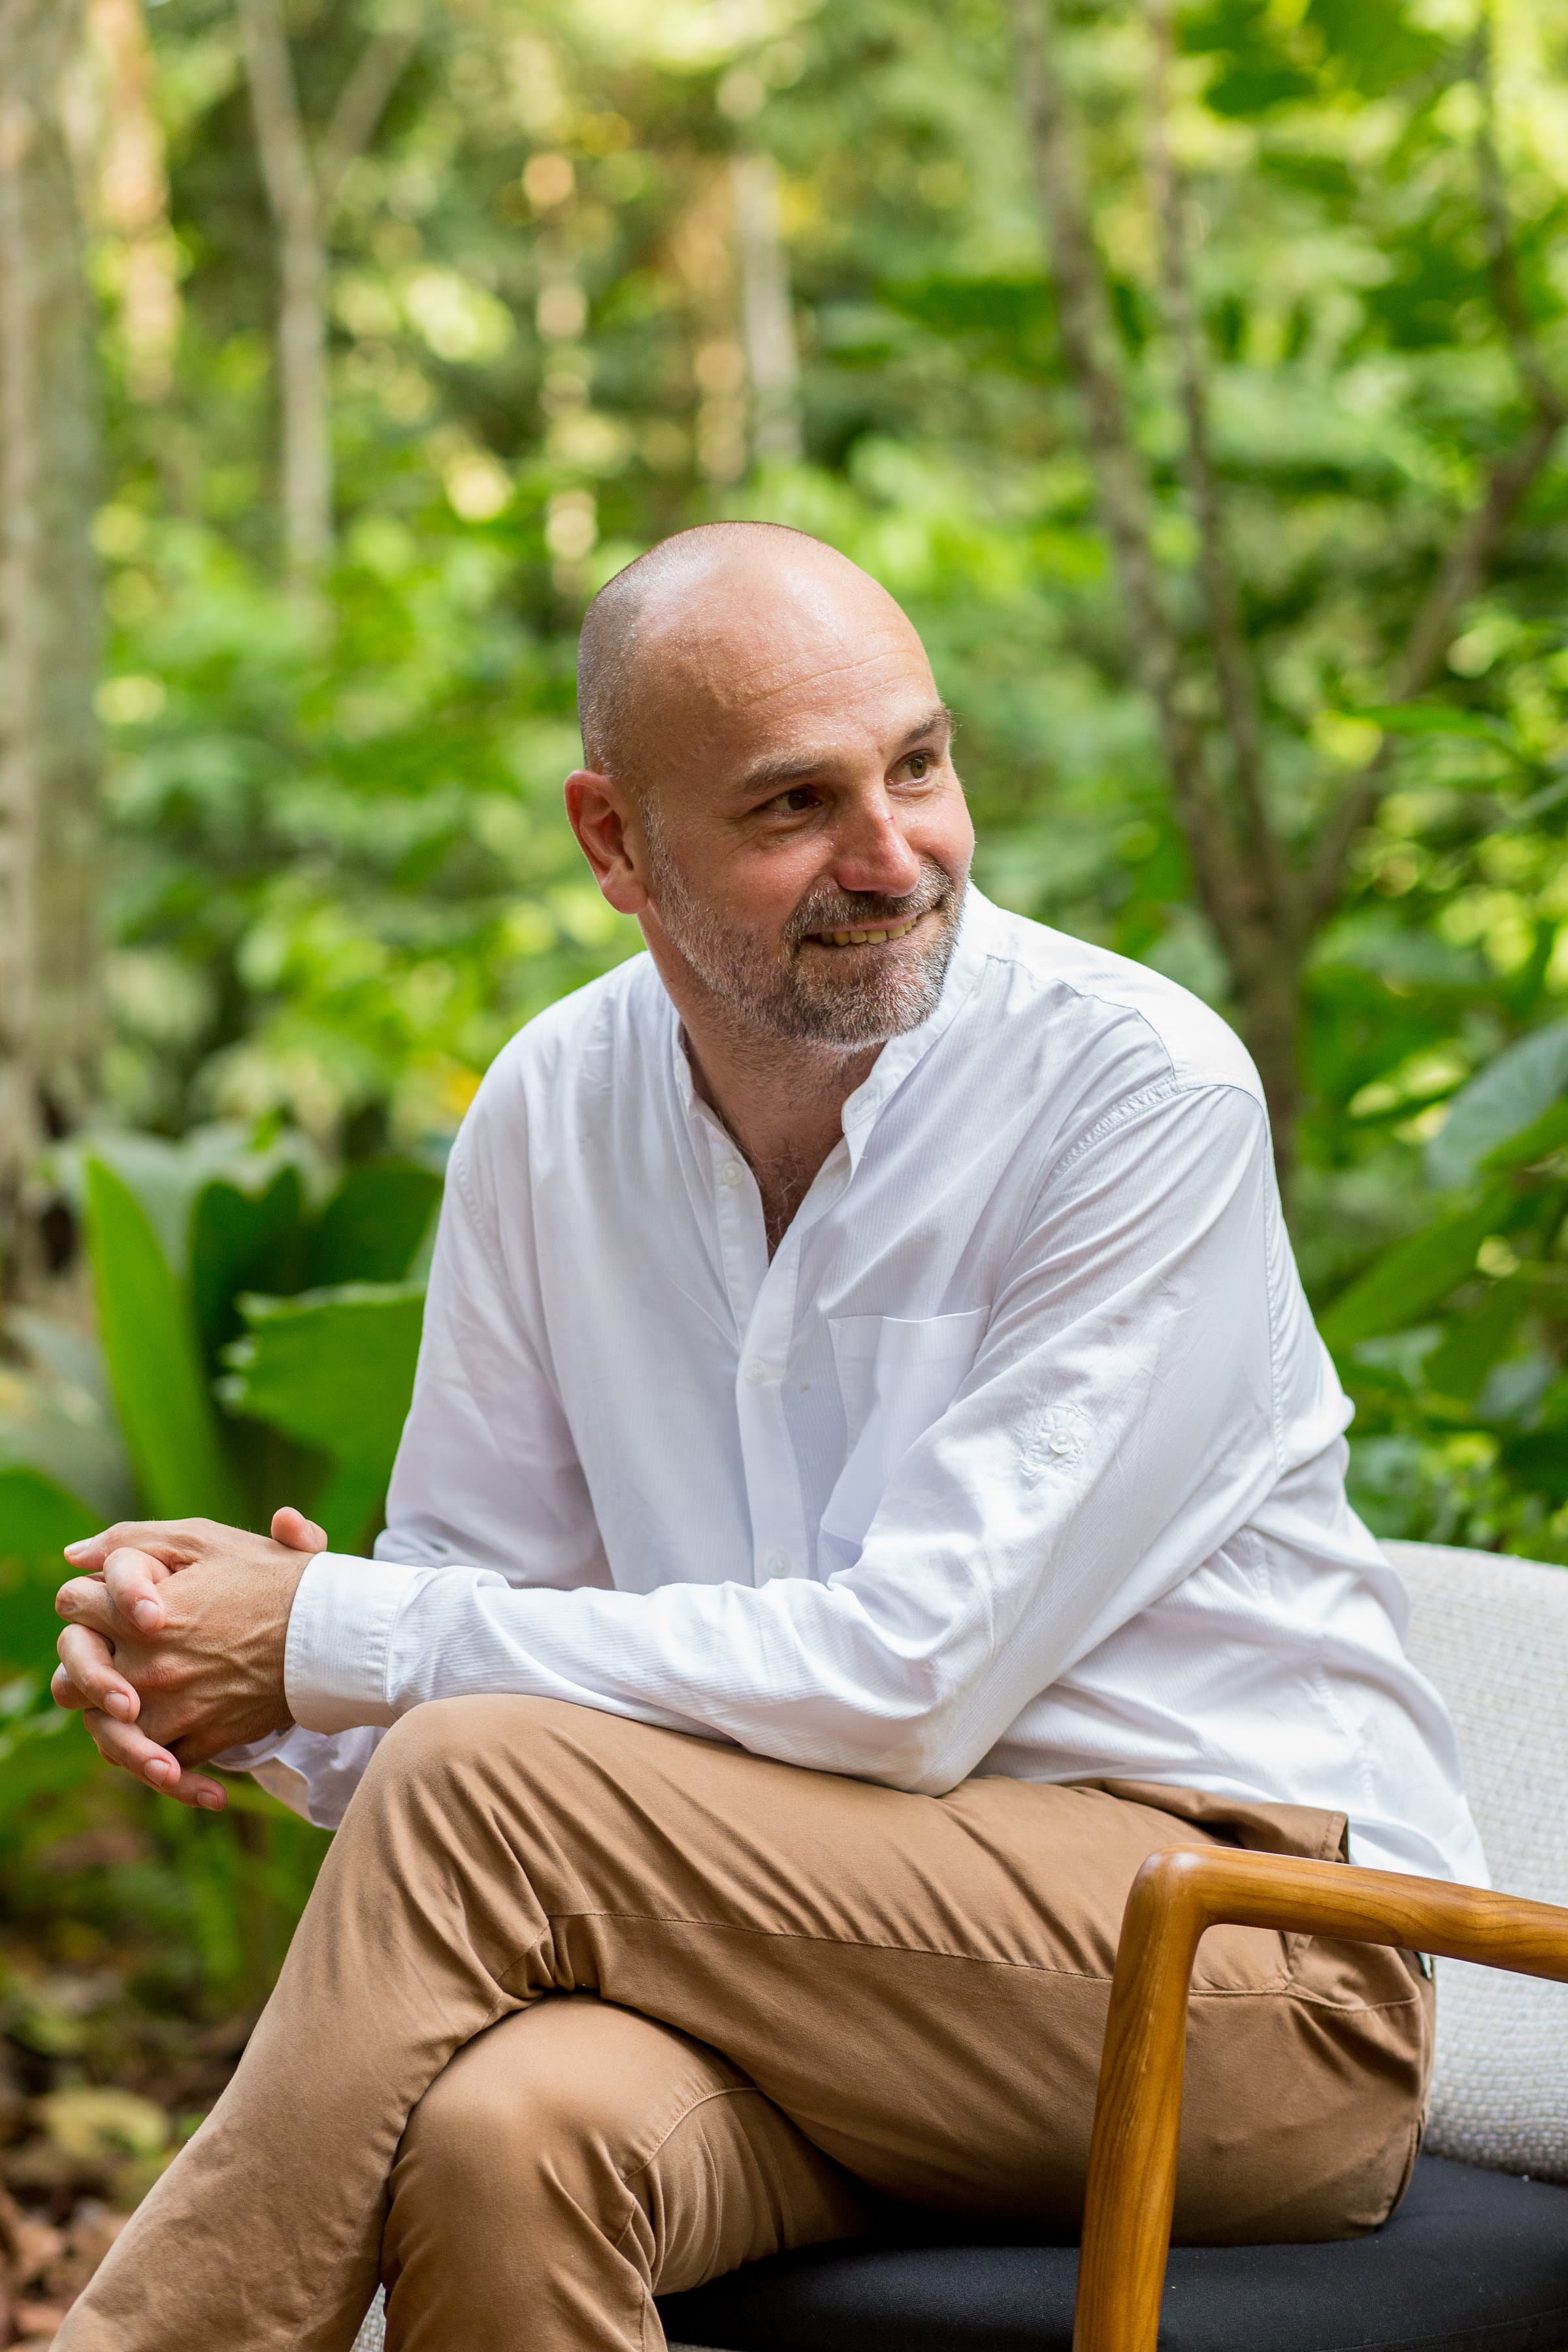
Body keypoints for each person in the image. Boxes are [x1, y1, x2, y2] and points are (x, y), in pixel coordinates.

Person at [51, 524, 1483, 2352]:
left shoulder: (1139, 1095)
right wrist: (247, 1683)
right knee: (509, 2138)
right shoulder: (551, 1117)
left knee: (482, 1778)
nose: (893, 857)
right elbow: (484, 1638)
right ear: (611, 843)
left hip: (1235, 1976)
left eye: (920, 764)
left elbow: (903, 1680)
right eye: (794, 804)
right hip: (803, 1961)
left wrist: (333, 1644)